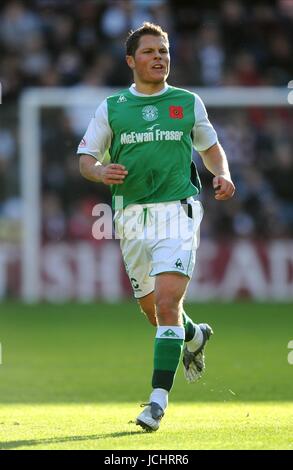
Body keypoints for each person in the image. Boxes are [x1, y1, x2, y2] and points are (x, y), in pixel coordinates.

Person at [77, 22, 235, 432]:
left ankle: (156, 403)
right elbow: (85, 158)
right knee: (154, 312)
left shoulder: (187, 101)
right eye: (149, 52)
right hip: (129, 216)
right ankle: (194, 335)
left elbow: (211, 148)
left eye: (163, 50)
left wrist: (222, 173)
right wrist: (100, 171)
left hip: (177, 211)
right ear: (131, 61)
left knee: (167, 304)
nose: (159, 57)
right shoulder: (112, 107)